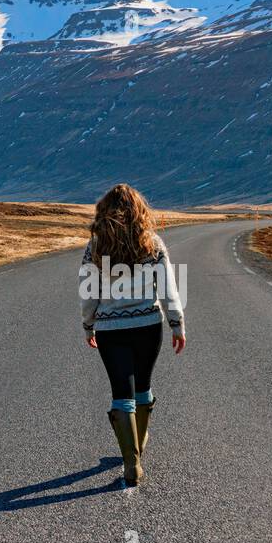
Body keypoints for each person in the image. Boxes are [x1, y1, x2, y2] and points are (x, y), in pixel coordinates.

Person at [79, 184, 185, 487]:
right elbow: (168, 288)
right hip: (148, 327)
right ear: (140, 209)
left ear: (105, 209)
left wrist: (89, 325)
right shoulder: (152, 243)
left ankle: (132, 463)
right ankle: (137, 446)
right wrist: (177, 324)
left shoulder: (96, 247)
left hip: (111, 330)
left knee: (121, 392)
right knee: (143, 388)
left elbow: (89, 292)